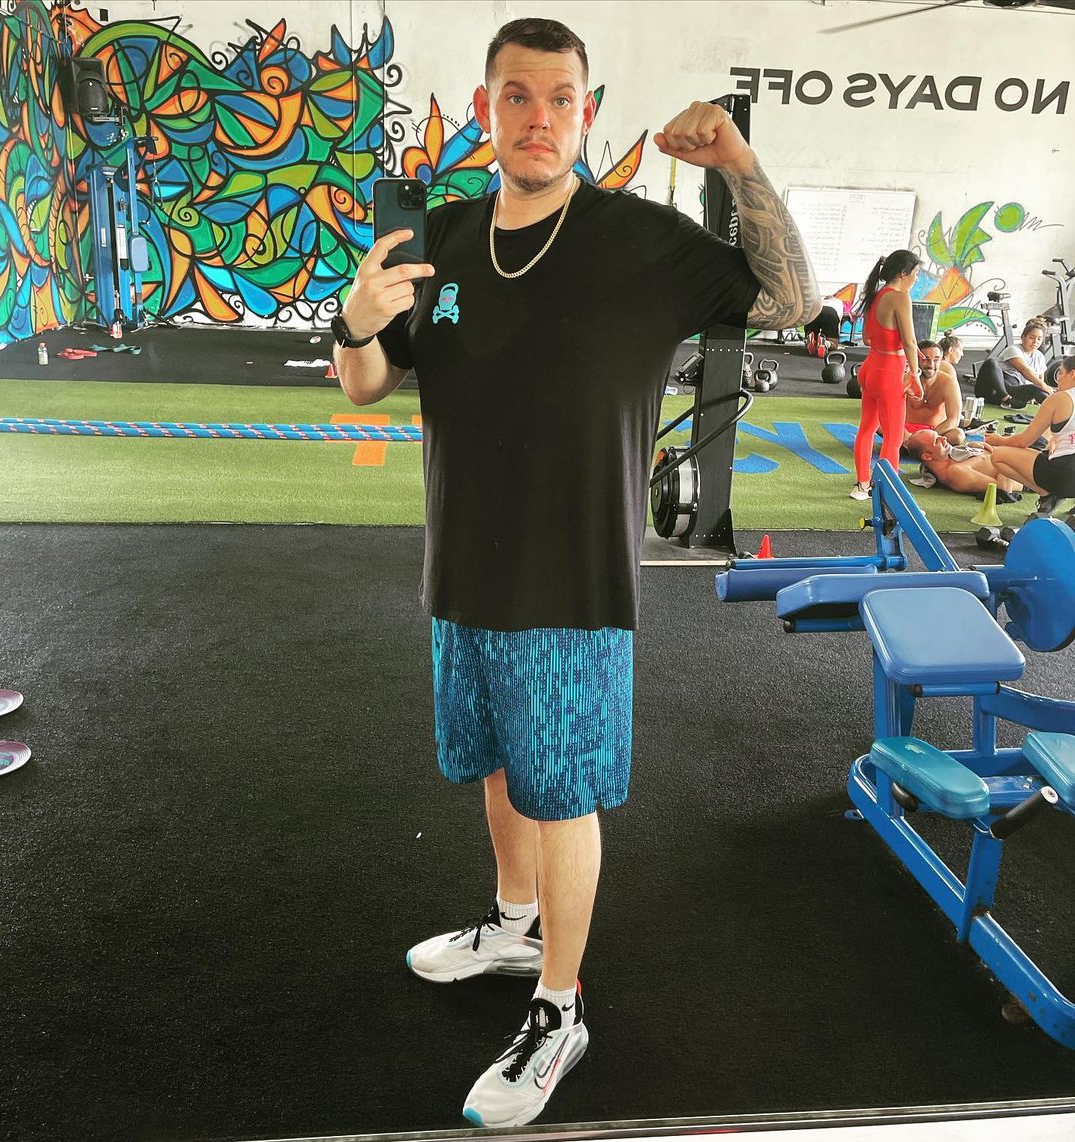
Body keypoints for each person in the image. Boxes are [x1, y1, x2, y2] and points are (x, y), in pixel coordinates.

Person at [331, 17, 819, 1129]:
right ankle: (514, 925)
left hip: (574, 583)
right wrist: (356, 319)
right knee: (497, 766)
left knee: (562, 795)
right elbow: (365, 384)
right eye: (517, 95)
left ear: (586, 113)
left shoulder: (640, 241)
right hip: (460, 570)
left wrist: (739, 165)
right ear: (485, 108)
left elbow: (790, 300)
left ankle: (562, 1003)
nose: (539, 117)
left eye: (560, 98)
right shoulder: (441, 240)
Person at [850, 249, 923, 500]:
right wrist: (915, 374)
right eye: (915, 273)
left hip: (870, 369)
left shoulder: (876, 294)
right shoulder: (901, 298)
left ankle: (862, 486)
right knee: (893, 438)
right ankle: (887, 494)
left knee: (866, 430)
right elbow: (910, 342)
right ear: (903, 273)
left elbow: (867, 338)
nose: (916, 278)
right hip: (889, 374)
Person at [985, 354, 1075, 513]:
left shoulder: (1059, 398)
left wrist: (999, 440)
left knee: (998, 455)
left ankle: (1047, 494)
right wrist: (1054, 440)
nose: (1057, 379)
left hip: (1065, 473)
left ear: (1072, 374)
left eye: (1060, 373)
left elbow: (1024, 441)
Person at [905, 428, 1022, 499]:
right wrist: (1003, 453)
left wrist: (973, 447)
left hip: (1011, 456)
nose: (944, 438)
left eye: (939, 435)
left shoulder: (950, 458)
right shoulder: (956, 473)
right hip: (1020, 468)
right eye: (937, 441)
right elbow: (1002, 489)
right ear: (927, 456)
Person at [974, 319, 1053, 408]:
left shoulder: (1039, 356)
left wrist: (1044, 389)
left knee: (1039, 390)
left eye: (1039, 339)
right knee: (991, 362)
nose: (1035, 341)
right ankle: (1006, 399)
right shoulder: (1013, 349)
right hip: (993, 390)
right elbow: (1023, 369)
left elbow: (1040, 379)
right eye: (1031, 337)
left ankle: (1055, 409)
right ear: (1023, 337)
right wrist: (1043, 385)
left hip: (1013, 391)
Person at [904, 340, 965, 446]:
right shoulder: (905, 379)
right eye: (926, 359)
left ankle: (915, 446)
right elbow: (886, 412)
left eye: (936, 360)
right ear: (916, 359)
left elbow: (954, 419)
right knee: (878, 424)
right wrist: (905, 434)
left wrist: (930, 436)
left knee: (958, 435)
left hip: (936, 431)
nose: (931, 364)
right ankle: (915, 445)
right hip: (906, 431)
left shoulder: (948, 382)